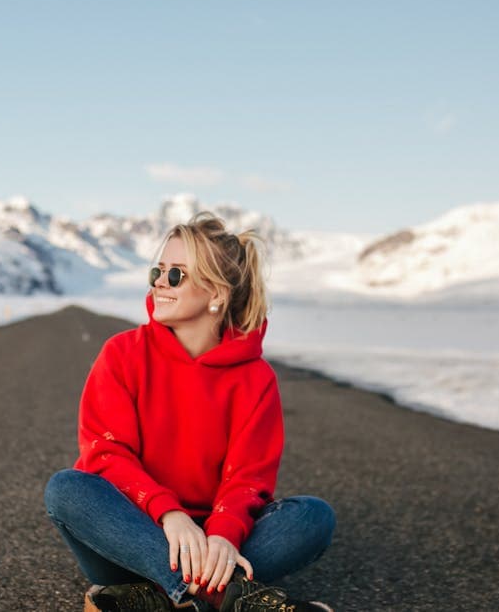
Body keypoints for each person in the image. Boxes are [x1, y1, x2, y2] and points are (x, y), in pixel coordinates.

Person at [44, 212, 337, 612]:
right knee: (67, 489)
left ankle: (154, 597)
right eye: (158, 271)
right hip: (133, 534)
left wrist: (223, 536)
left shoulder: (256, 378)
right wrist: (170, 516)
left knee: (312, 518)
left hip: (216, 540)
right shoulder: (122, 354)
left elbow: (248, 478)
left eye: (176, 275)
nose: (160, 284)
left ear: (217, 293)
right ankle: (227, 595)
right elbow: (105, 455)